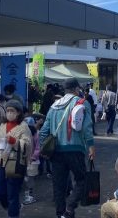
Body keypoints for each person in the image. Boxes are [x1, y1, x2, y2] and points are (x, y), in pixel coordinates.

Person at [39, 78, 95, 218]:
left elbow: (44, 131)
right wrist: (91, 146)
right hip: (75, 150)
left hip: (56, 151)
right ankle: (70, 206)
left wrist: (43, 148)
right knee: (82, 180)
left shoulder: (54, 106)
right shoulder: (82, 103)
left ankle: (61, 214)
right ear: (77, 89)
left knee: (59, 186)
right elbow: (87, 128)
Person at [0, 99, 31, 218]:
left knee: (12, 193)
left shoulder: (23, 126)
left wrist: (14, 141)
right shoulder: (3, 125)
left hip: (16, 163)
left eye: (12, 111)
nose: (9, 113)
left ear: (18, 112)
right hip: (2, 162)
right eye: (8, 110)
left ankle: (13, 214)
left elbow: (27, 144)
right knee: (0, 192)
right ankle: (12, 207)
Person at [23, 116, 40, 205]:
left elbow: (38, 148)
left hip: (33, 161)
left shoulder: (36, 134)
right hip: (24, 160)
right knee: (26, 179)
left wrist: (32, 157)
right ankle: (27, 196)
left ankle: (30, 196)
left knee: (30, 179)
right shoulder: (23, 134)